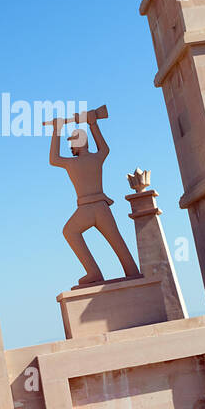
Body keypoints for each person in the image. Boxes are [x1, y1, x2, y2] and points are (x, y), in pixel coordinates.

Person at [48, 109, 141, 285]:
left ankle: (94, 272)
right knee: (117, 241)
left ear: (76, 145)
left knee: (69, 232)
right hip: (100, 208)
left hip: (87, 209)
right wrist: (93, 123)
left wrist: (56, 130)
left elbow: (53, 158)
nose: (71, 146)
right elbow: (105, 148)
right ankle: (131, 271)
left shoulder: (71, 163)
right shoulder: (96, 158)